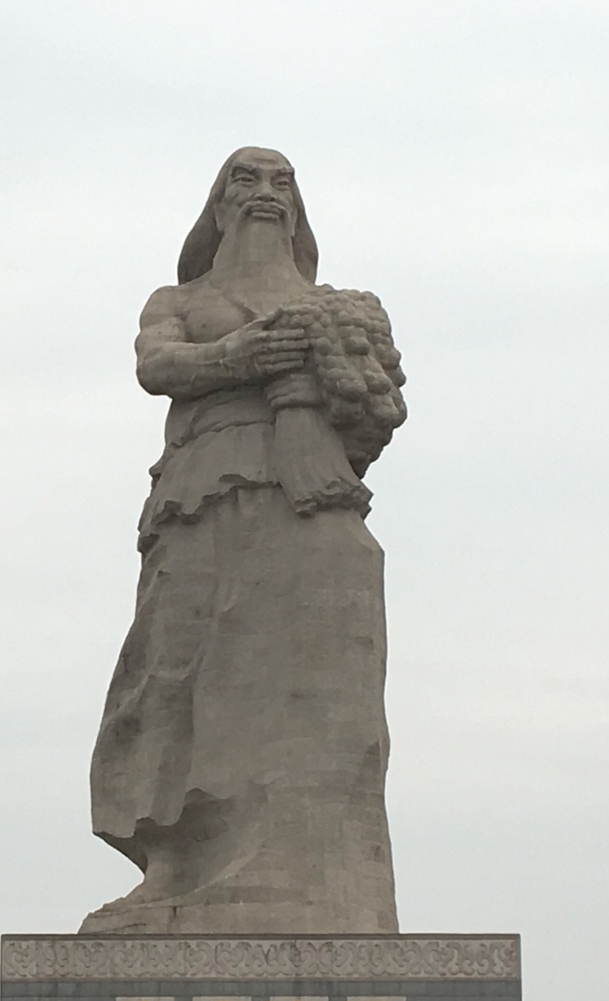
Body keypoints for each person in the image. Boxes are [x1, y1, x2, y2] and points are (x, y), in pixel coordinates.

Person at [82, 147, 409, 936]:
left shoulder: (339, 307)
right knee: (173, 676)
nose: (265, 191)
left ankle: (299, 875)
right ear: (219, 204)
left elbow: (377, 412)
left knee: (292, 678)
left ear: (297, 209)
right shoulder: (182, 298)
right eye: (246, 178)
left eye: (281, 181)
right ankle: (173, 868)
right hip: (197, 495)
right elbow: (156, 364)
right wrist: (236, 358)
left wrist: (310, 388)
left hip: (301, 497)